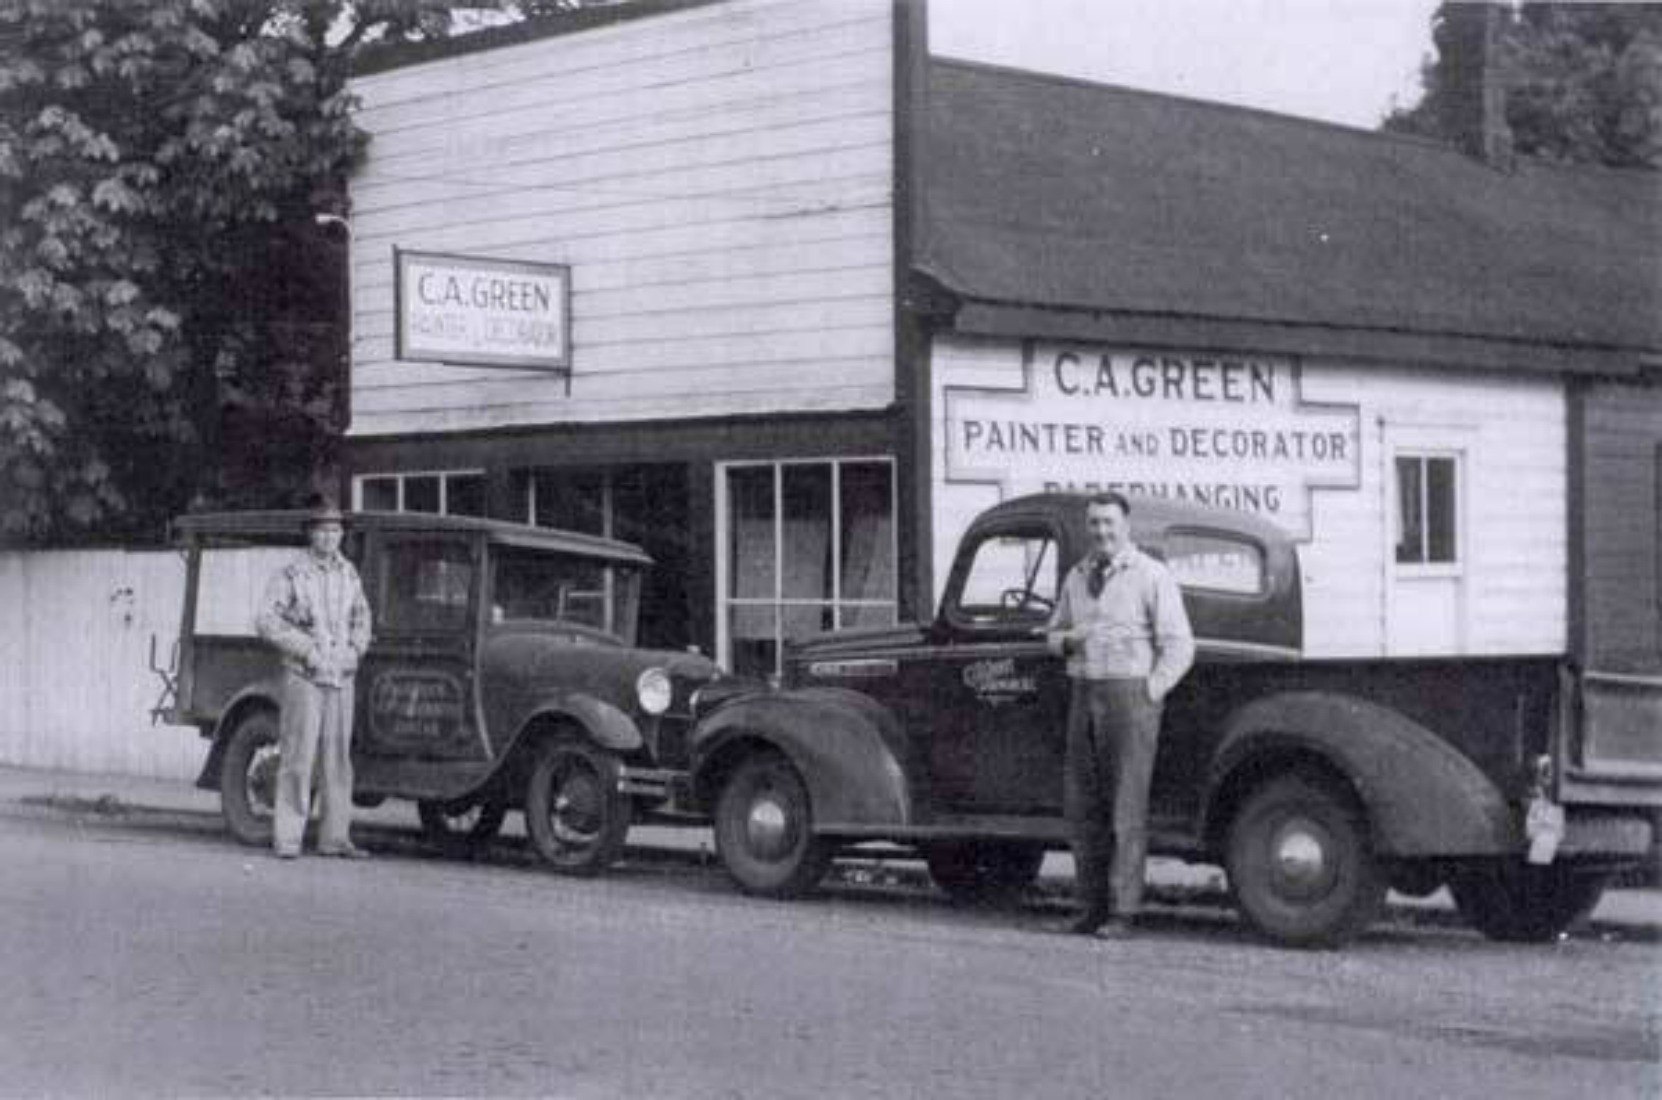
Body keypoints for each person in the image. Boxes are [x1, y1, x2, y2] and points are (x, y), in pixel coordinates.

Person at [1045, 492, 1194, 937]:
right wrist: (1070, 640)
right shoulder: (1077, 576)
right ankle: (1087, 907)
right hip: (1084, 690)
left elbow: (1180, 644)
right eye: (1094, 524)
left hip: (1131, 697)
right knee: (1082, 806)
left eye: (1109, 523)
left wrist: (1152, 689)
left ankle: (1122, 911)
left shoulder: (1150, 575)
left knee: (1125, 807)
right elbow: (1052, 635)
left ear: (1126, 526)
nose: (1101, 532)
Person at [255, 494, 374, 860]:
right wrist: (306, 649)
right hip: (304, 675)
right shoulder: (292, 574)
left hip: (341, 676)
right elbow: (267, 621)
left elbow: (362, 617)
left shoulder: (348, 573)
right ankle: (288, 838)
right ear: (310, 534)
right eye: (321, 530)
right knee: (298, 755)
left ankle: (335, 838)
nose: (328, 537)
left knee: (337, 759)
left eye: (335, 530)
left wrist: (355, 649)